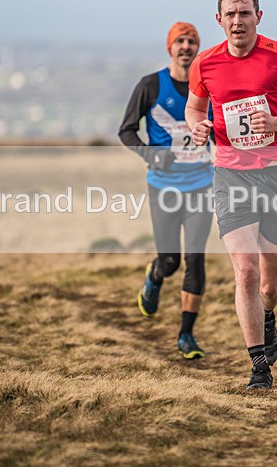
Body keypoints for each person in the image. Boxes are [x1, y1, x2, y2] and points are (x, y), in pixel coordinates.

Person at [185, 0, 277, 390]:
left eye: (244, 13)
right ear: (219, 20)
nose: (237, 21)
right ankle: (259, 368)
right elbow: (195, 106)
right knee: (245, 273)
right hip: (230, 175)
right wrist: (197, 126)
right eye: (230, 15)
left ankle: (268, 314)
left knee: (269, 284)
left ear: (258, 17)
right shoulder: (205, 63)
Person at [119, 22, 214, 359]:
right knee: (171, 260)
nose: (186, 47)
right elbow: (126, 131)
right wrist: (151, 153)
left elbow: (218, 133)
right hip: (163, 187)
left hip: (202, 183)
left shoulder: (207, 89)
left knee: (196, 260)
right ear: (169, 47)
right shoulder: (150, 86)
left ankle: (186, 335)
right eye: (180, 41)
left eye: (192, 42)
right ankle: (155, 274)